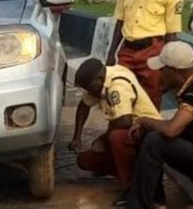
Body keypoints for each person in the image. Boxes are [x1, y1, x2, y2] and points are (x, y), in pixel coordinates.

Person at [69, 58, 162, 198]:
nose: (89, 92)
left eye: (89, 88)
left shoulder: (118, 85)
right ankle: (129, 170)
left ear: (99, 79)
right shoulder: (103, 79)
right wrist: (77, 137)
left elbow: (125, 121)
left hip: (147, 133)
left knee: (116, 137)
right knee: (85, 160)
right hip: (131, 131)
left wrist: (102, 139)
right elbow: (84, 105)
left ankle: (130, 188)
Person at [106, 0, 184, 109]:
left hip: (153, 51)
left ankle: (147, 132)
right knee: (121, 94)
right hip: (127, 50)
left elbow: (171, 33)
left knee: (151, 99)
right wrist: (111, 52)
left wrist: (168, 64)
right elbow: (120, 21)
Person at [126, 41, 193, 209]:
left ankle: (139, 205)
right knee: (150, 134)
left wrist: (143, 120)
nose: (159, 73)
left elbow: (172, 130)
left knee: (155, 141)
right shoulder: (191, 82)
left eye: (162, 69)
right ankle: (155, 201)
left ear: (174, 71)